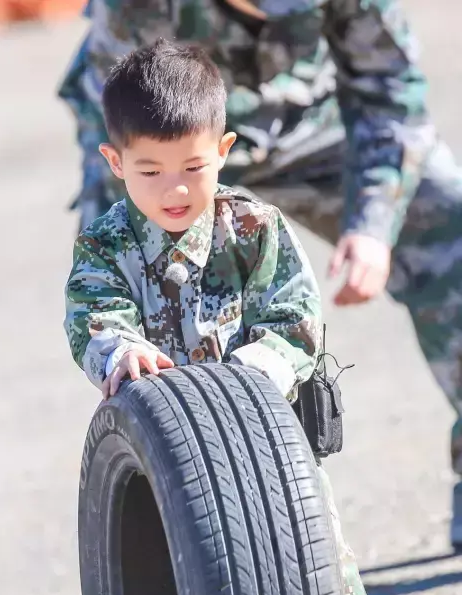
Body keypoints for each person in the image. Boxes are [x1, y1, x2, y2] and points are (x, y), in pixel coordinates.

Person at [64, 39, 419, 595]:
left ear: (223, 150)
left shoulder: (254, 230)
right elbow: (94, 316)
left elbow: (298, 322)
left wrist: (256, 371)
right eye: (150, 171)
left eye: (193, 167)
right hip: (169, 476)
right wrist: (120, 351)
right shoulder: (106, 243)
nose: (175, 189)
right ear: (115, 163)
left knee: (334, 590)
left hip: (270, 460)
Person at [59, 0, 462, 551]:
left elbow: (390, 93)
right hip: (175, 155)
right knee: (144, 322)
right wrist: (121, 320)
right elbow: (125, 122)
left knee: (452, 226)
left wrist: (373, 224)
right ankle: (175, 539)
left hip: (314, 129)